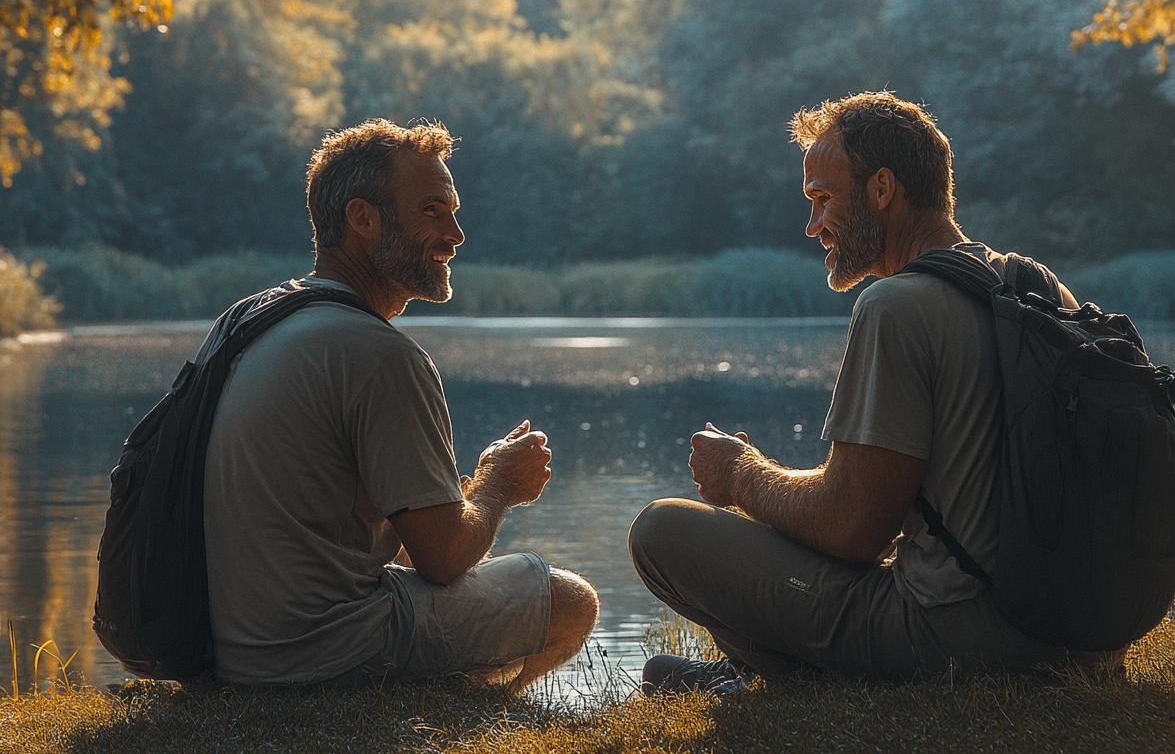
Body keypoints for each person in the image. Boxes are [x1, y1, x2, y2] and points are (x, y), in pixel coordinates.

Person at [629, 92, 1117, 695]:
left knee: (660, 532)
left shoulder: (895, 306)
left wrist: (742, 476)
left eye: (823, 199)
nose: (812, 226)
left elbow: (854, 529)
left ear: (883, 189)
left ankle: (793, 679)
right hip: (1079, 635)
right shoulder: (1036, 287)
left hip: (960, 639)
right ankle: (763, 675)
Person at [202, 118, 598, 691]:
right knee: (569, 601)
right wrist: (497, 485)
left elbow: (415, 541)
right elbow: (443, 558)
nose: (456, 234)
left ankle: (439, 692)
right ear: (362, 219)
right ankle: (470, 704)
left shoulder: (254, 321)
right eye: (432, 211)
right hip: (319, 652)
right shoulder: (380, 355)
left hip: (231, 651)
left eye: (454, 211)